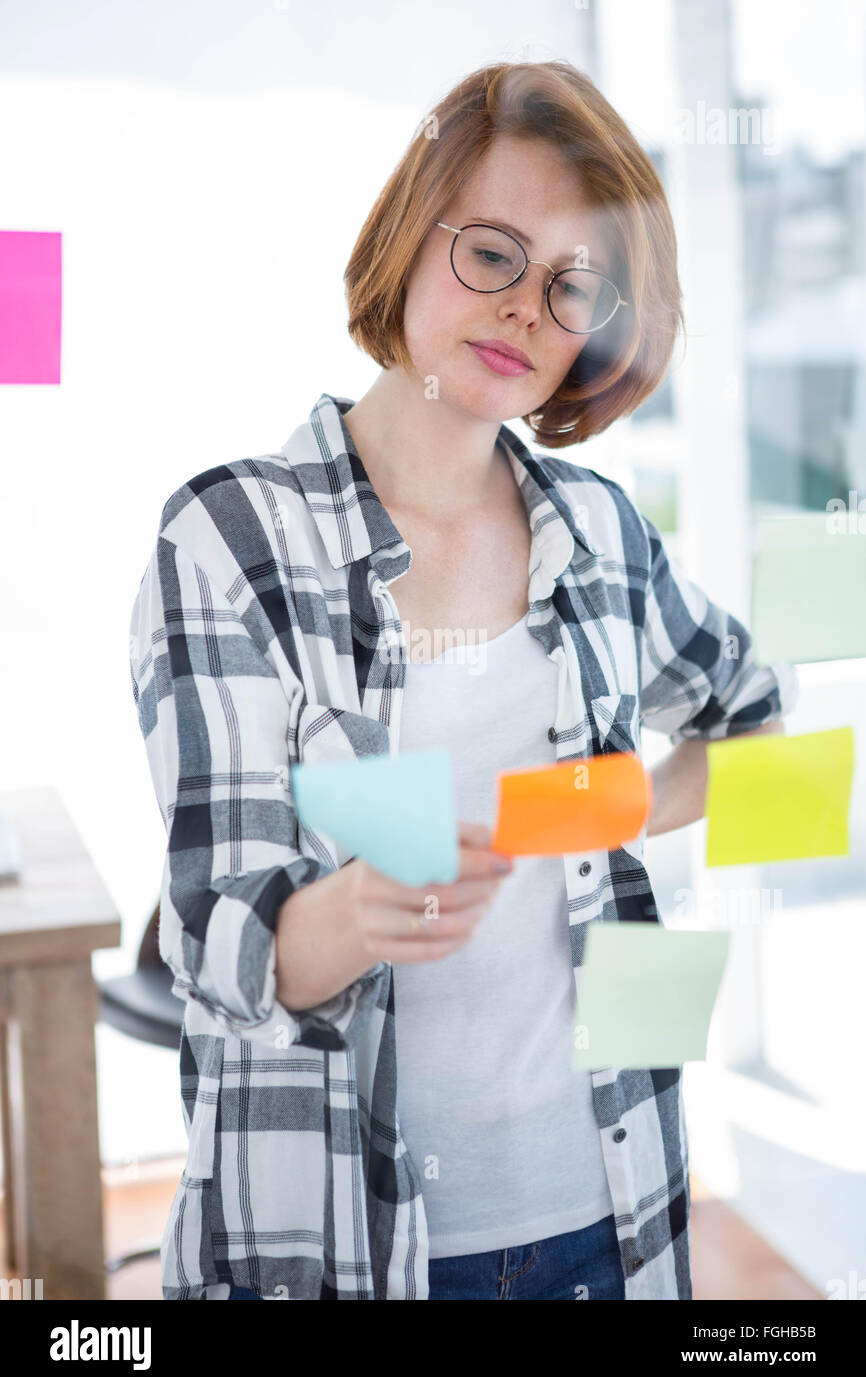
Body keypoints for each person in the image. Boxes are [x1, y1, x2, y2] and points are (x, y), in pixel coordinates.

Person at [128, 59, 797, 1301]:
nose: (525, 314)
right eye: (490, 253)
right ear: (410, 234)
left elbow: (759, 727)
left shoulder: (599, 530)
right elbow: (208, 933)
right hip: (334, 1245)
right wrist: (339, 919)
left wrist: (610, 804)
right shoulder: (229, 538)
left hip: (613, 1213)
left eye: (571, 287)